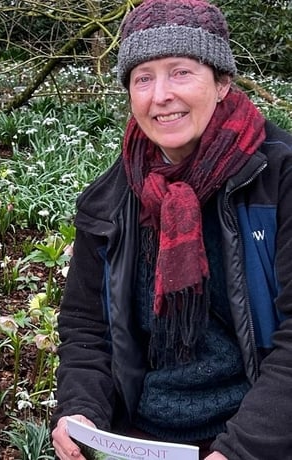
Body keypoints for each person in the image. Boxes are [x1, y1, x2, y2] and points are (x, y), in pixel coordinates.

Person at [50, 0, 292, 459]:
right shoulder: (111, 198)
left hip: (258, 434)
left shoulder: (279, 180)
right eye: (143, 78)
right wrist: (80, 409)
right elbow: (86, 327)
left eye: (180, 72)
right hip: (140, 435)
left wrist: (240, 451)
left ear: (222, 82)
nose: (160, 95)